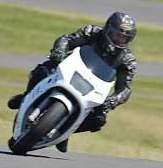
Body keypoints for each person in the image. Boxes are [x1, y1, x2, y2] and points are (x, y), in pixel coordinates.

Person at [8, 12, 137, 152]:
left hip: (95, 85)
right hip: (72, 69)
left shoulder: (128, 60)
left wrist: (112, 101)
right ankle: (26, 96)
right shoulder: (92, 32)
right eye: (117, 34)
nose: (119, 39)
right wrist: (59, 52)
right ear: (107, 29)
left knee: (98, 120)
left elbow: (124, 89)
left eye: (124, 38)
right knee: (44, 69)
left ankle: (64, 131)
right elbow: (66, 39)